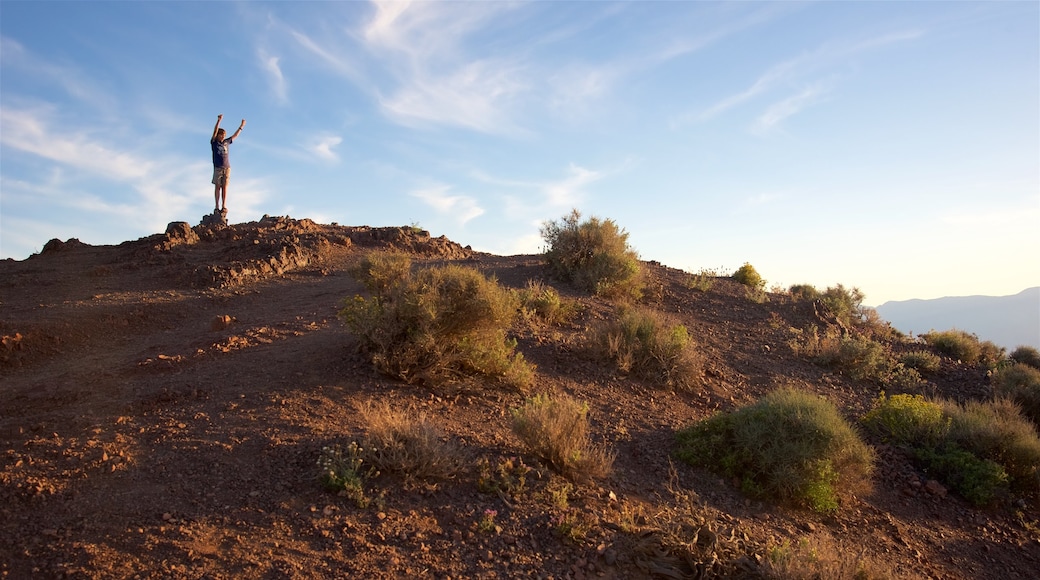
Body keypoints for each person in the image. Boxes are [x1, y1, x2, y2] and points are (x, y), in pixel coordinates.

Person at [211, 114, 245, 213]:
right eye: (221, 135)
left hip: (227, 167)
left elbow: (235, 136)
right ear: (218, 135)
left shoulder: (226, 142)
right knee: (218, 187)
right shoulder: (214, 143)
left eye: (224, 135)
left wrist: (241, 126)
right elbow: (215, 131)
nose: (222, 137)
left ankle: (223, 205)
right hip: (218, 168)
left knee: (225, 187)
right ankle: (217, 206)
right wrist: (219, 121)